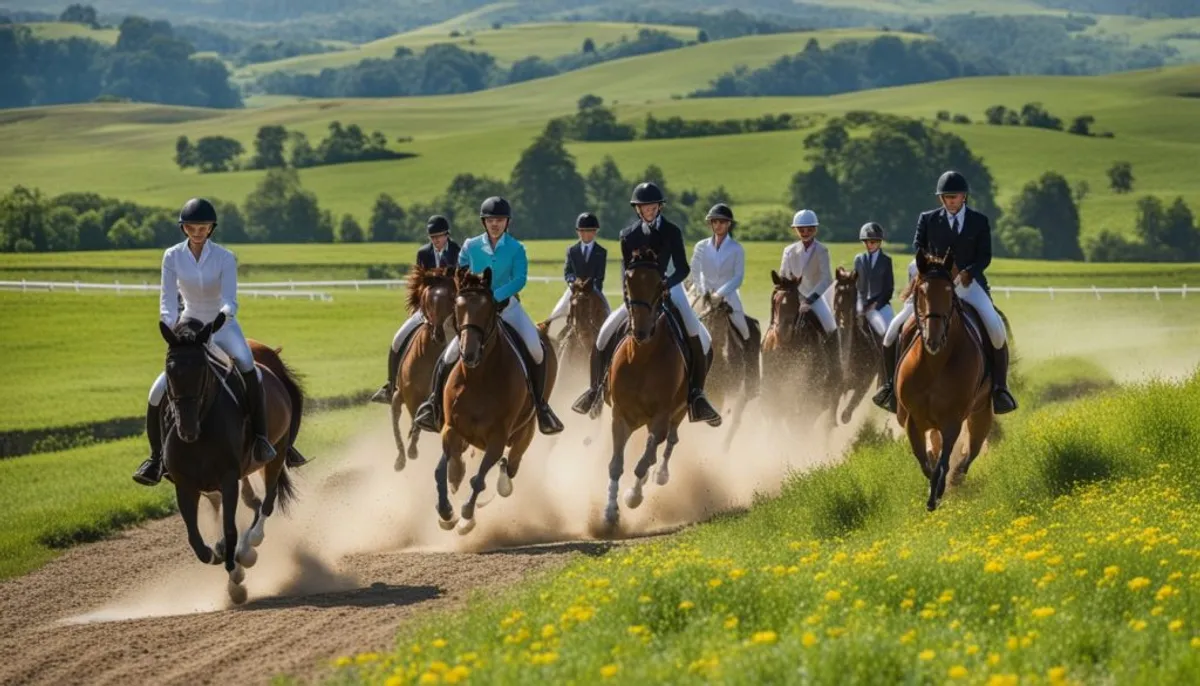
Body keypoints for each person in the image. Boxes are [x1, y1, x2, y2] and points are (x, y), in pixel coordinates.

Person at [133, 198, 279, 486]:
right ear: (184, 228)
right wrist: (170, 326)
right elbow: (167, 300)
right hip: (187, 326)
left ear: (211, 228)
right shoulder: (171, 257)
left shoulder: (225, 257)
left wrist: (222, 318)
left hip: (222, 326)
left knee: (250, 367)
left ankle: (261, 440)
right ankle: (155, 458)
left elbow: (229, 300)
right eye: (192, 227)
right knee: (156, 391)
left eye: (203, 227)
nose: (198, 232)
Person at [571, 182, 721, 425]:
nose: (648, 209)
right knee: (603, 336)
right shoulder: (628, 235)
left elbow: (683, 268)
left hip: (671, 289)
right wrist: (629, 298)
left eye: (651, 205)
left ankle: (697, 397)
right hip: (639, 296)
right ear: (637, 209)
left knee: (700, 336)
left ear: (659, 207)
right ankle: (595, 391)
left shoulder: (672, 231)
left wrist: (666, 284)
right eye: (643, 206)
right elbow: (625, 271)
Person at [412, 196, 565, 435]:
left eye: (500, 220)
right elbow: (460, 270)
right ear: (484, 222)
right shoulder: (471, 246)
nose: (495, 224)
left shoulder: (516, 248)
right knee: (448, 356)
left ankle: (541, 407)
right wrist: (467, 292)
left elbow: (520, 279)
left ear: (507, 223)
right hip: (477, 312)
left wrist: (494, 295)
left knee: (536, 349)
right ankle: (433, 405)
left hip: (508, 308)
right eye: (491, 220)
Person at [872, 170, 1018, 415]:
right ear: (941, 199)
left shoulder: (979, 221)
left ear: (964, 197)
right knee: (892, 332)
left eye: (955, 196)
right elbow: (919, 246)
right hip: (934, 284)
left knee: (995, 328)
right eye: (946, 196)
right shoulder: (928, 219)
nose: (951, 200)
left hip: (968, 284)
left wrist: (967, 271)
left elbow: (985, 256)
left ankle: (1000, 390)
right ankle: (889, 387)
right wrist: (938, 266)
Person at [370, 215, 459, 404]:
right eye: (433, 237)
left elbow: (460, 279)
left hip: (451, 312)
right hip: (426, 309)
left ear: (447, 235)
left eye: (440, 236)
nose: (436, 241)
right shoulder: (424, 253)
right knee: (397, 340)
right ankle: (391, 385)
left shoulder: (457, 251)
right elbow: (419, 282)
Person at [689, 203, 761, 398]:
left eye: (722, 222)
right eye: (715, 222)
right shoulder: (701, 246)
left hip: (728, 296)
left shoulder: (737, 249)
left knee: (747, 332)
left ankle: (752, 380)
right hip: (703, 295)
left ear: (729, 224)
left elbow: (738, 277)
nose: (718, 225)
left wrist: (719, 294)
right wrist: (705, 291)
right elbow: (697, 272)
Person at [543, 211, 609, 333]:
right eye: (582, 231)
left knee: (607, 310)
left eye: (589, 231)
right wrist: (574, 283)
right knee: (559, 308)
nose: (585, 234)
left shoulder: (601, 252)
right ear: (578, 232)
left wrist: (591, 287)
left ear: (595, 232)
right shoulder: (572, 250)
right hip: (574, 289)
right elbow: (568, 272)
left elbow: (600, 276)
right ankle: (549, 330)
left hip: (593, 288)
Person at [778, 209, 836, 338]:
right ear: (795, 230)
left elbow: (827, 279)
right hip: (793, 297)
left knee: (831, 326)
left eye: (809, 230)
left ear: (815, 230)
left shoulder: (822, 251)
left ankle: (834, 358)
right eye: (801, 230)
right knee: (777, 322)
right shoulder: (788, 251)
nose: (805, 233)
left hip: (814, 298)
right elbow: (783, 275)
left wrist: (809, 301)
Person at [853, 222, 895, 339]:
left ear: (879, 242)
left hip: (880, 304)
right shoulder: (859, 260)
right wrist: (862, 304)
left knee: (887, 331)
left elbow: (889, 288)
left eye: (872, 242)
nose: (869, 245)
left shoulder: (886, 261)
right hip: (861, 303)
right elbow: (857, 286)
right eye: (866, 242)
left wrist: (876, 304)